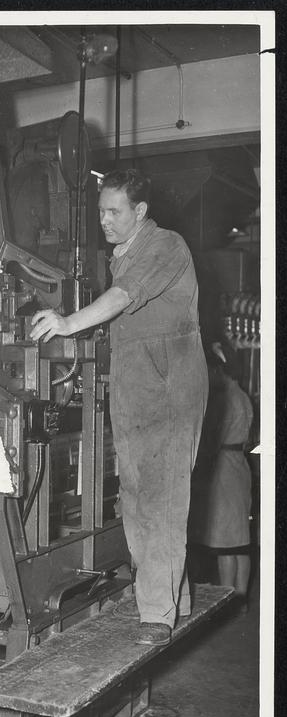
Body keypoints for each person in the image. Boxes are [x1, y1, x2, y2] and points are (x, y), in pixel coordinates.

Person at [30, 169, 208, 646]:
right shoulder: (123, 255)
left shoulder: (166, 245)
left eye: (114, 212)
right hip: (135, 382)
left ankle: (155, 613)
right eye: (101, 211)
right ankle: (174, 599)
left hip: (170, 383)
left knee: (163, 495)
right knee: (135, 492)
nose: (104, 220)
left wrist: (69, 323)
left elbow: (123, 298)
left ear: (140, 213)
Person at [189, 352, 254, 602]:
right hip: (239, 466)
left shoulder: (227, 399)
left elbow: (213, 441)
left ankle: (229, 600)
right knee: (240, 542)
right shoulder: (243, 397)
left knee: (227, 544)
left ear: (218, 372)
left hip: (225, 471)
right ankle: (241, 597)